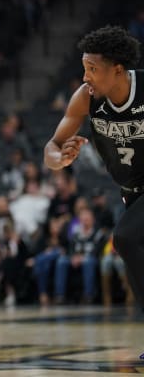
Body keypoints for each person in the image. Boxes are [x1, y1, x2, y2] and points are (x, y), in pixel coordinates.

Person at [45, 26, 144, 311]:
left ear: (117, 69)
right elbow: (50, 148)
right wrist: (60, 158)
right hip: (132, 192)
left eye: (92, 68)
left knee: (125, 238)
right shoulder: (86, 97)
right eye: (84, 68)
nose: (86, 76)